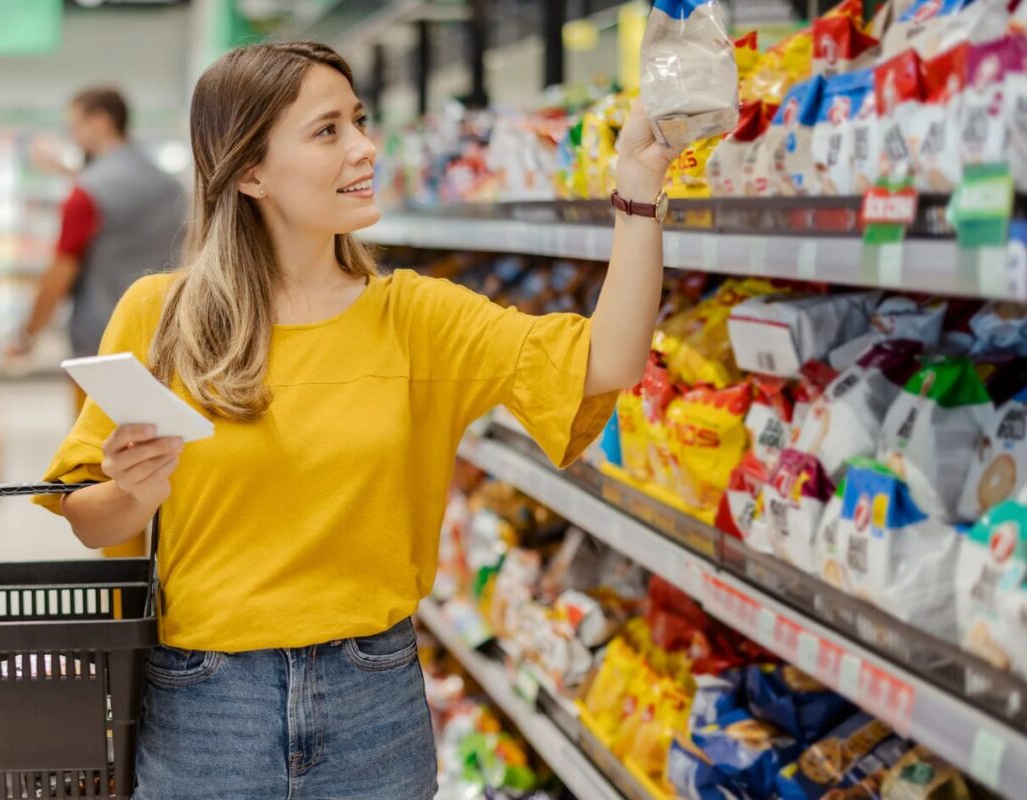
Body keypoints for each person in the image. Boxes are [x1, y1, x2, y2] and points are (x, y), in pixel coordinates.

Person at [35, 42, 672, 798]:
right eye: (328, 130)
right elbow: (90, 520)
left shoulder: (415, 317)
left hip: (374, 702)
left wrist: (638, 193)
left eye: (359, 122)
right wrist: (133, 492)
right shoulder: (162, 316)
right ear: (249, 172)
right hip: (206, 708)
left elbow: (608, 361)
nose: (366, 147)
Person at [14, 86, 185, 559]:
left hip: (102, 355)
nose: (72, 135)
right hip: (174, 348)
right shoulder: (170, 186)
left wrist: (26, 334)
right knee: (171, 474)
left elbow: (59, 273)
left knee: (110, 481)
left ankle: (124, 606)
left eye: (76, 124)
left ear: (100, 122)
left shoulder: (86, 195)